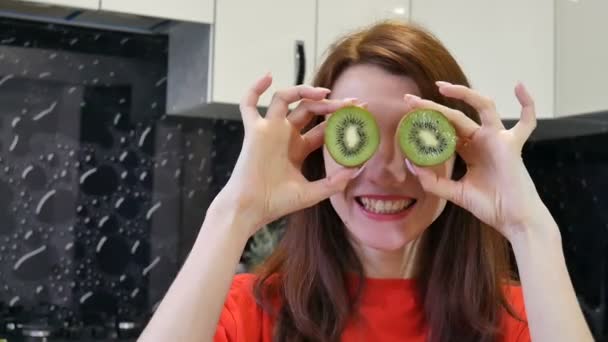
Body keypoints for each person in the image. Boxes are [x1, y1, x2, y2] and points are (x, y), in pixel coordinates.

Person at [138, 21, 593, 342]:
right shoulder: (249, 310)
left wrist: (530, 229)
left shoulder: (518, 315)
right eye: (359, 135)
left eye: (417, 136)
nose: (388, 169)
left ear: (456, 147)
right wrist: (234, 212)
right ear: (319, 149)